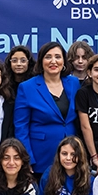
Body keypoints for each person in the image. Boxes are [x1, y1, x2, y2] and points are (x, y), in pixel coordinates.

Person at [14, 41, 81, 176]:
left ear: (64, 61)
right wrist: (28, 159)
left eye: (58, 56)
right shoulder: (27, 87)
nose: (53, 61)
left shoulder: (74, 82)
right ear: (41, 61)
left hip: (71, 156)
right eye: (48, 57)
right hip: (41, 157)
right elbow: (21, 127)